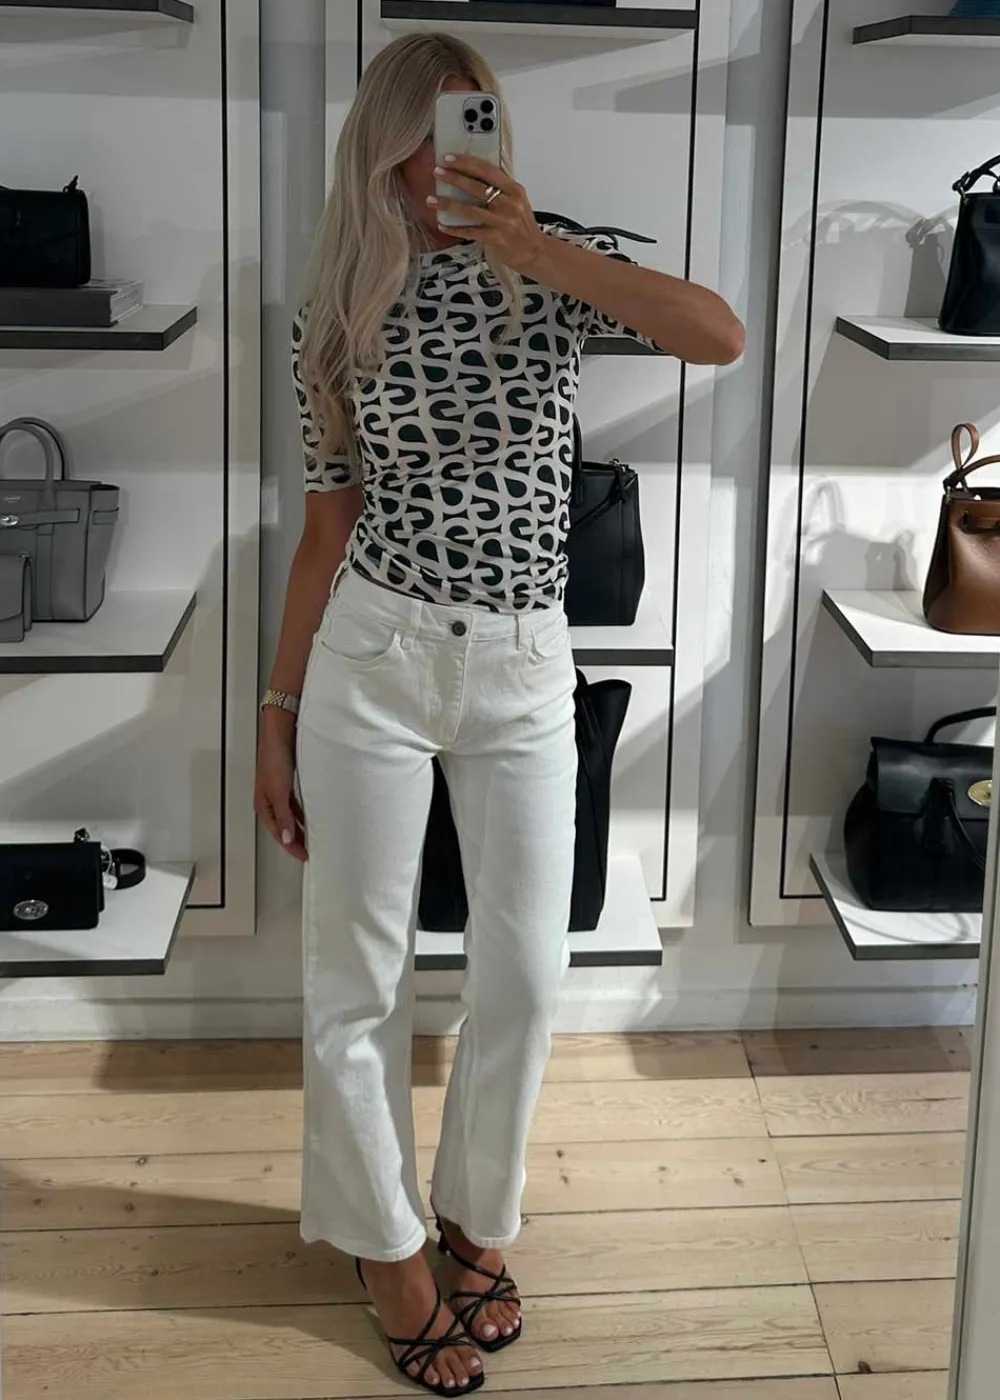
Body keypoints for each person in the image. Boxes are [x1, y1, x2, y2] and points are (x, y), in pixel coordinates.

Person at [255, 31, 743, 1397]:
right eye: (416, 134)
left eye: (463, 129)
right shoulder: (335, 305)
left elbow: (719, 336)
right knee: (355, 978)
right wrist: (275, 710)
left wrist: (543, 250)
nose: (438, 162)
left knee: (525, 972)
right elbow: (325, 525)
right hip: (373, 655)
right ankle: (386, 1249)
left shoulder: (550, 267)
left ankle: (474, 1218)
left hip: (526, 660)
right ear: (380, 144)